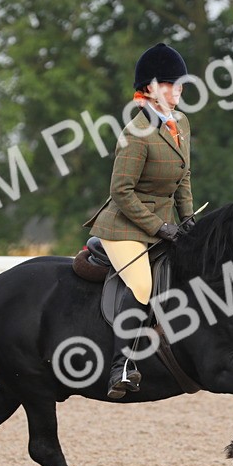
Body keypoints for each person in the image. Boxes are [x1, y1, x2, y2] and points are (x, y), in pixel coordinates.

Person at [84, 42, 195, 399]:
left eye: (179, 85)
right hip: (125, 226)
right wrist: (159, 227)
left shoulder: (181, 124)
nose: (178, 91)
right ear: (150, 88)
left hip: (163, 221)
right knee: (143, 286)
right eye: (171, 84)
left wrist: (189, 219)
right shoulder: (136, 132)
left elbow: (184, 177)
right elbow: (121, 191)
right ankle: (123, 366)